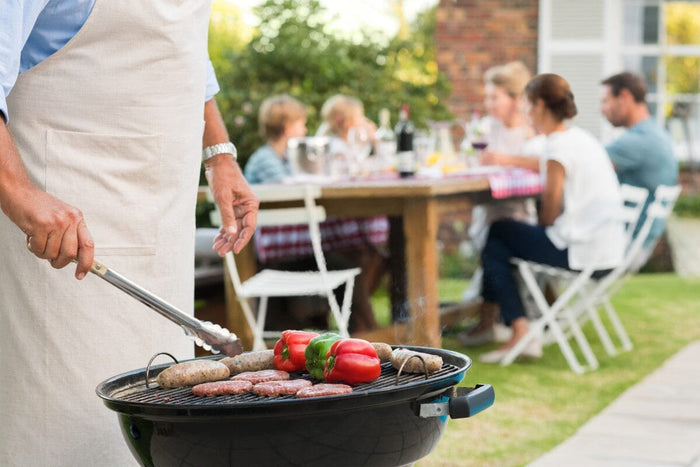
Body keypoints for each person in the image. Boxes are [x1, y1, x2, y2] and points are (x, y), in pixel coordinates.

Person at [0, 2, 258, 466]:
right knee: (64, 421)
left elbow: (184, 50)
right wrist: (18, 189)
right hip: (61, 219)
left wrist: (219, 155)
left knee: (159, 418)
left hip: (162, 217)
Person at [478, 73, 626, 363]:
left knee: (497, 233)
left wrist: (534, 229)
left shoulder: (558, 149)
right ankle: (512, 326)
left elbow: (548, 212)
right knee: (501, 240)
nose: (525, 113)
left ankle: (518, 329)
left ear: (541, 106)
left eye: (528, 106)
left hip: (582, 253)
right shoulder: (581, 138)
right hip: (606, 250)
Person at [244, 94, 380, 333]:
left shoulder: (287, 158)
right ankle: (364, 334)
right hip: (276, 255)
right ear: (287, 128)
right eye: (301, 124)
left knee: (354, 256)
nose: (306, 129)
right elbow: (292, 194)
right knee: (347, 260)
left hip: (293, 250)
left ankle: (361, 332)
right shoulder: (266, 160)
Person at [458, 61, 545, 346]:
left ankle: (496, 323)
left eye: (495, 97)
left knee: (495, 246)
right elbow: (467, 156)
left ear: (515, 98)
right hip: (488, 209)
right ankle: (493, 323)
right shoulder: (485, 128)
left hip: (520, 212)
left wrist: (504, 159)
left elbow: (546, 164)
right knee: (493, 242)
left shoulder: (532, 131)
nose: (489, 103)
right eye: (487, 97)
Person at [600, 71, 679, 251]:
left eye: (605, 101)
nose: (602, 109)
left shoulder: (641, 140)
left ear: (625, 97)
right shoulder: (655, 133)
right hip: (637, 240)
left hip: (621, 243)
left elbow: (582, 166)